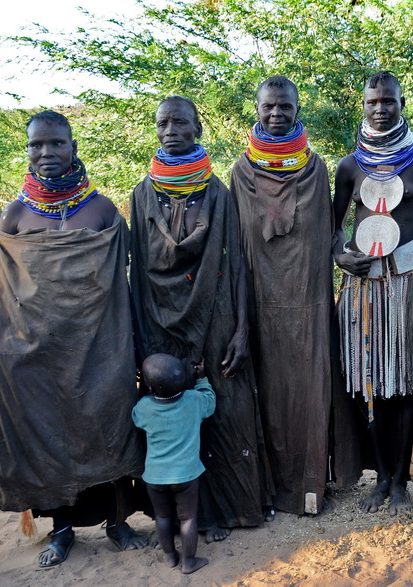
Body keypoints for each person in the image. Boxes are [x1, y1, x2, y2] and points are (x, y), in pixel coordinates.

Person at [0, 110, 147, 567]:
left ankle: (117, 522)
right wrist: (2, 354)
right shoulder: (15, 215)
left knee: (109, 427)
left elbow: (121, 282)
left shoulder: (102, 210)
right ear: (28, 150)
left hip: (99, 349)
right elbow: (1, 295)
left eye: (56, 143)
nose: (46, 153)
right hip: (35, 354)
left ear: (73, 147)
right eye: (37, 145)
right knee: (45, 436)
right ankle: (60, 530)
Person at [129, 96, 271, 541]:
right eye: (163, 122)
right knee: (170, 416)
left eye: (181, 122)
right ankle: (181, 518)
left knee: (223, 414)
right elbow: (137, 271)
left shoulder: (217, 194)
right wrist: (138, 340)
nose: (171, 129)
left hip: (216, 319)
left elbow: (240, 264)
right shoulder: (141, 194)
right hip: (159, 324)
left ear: (198, 129)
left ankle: (227, 512)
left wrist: (242, 329)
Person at [231, 76, 357, 515]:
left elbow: (327, 233)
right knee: (266, 392)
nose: (276, 114)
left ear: (297, 110)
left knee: (310, 388)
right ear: (258, 109)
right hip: (260, 304)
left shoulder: (316, 167)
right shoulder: (240, 172)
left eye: (285, 107)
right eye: (269, 107)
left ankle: (310, 488)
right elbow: (238, 248)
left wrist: (343, 252)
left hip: (309, 303)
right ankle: (268, 490)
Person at [333, 71, 413, 515]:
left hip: (407, 286)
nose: (380, 108)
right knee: (363, 388)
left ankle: (398, 481)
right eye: (373, 101)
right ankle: (378, 477)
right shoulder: (348, 166)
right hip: (360, 289)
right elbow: (331, 226)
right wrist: (339, 255)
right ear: (364, 105)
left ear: (400, 103)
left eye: (388, 101)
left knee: (402, 387)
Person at [133, 354, 214, 574]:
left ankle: (170, 557)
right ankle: (189, 562)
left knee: (162, 516)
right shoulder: (194, 401)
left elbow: (135, 418)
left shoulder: (144, 408)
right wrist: (202, 379)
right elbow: (210, 402)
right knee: (188, 518)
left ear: (150, 388)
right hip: (187, 477)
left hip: (155, 477)